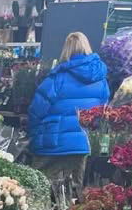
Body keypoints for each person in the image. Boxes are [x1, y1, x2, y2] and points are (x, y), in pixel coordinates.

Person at [27, 31, 110, 185]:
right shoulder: (101, 80)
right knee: (74, 189)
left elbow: (37, 110)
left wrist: (32, 134)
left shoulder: (57, 78)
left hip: (52, 143)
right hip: (82, 144)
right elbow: (103, 113)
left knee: (40, 187)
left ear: (66, 49)